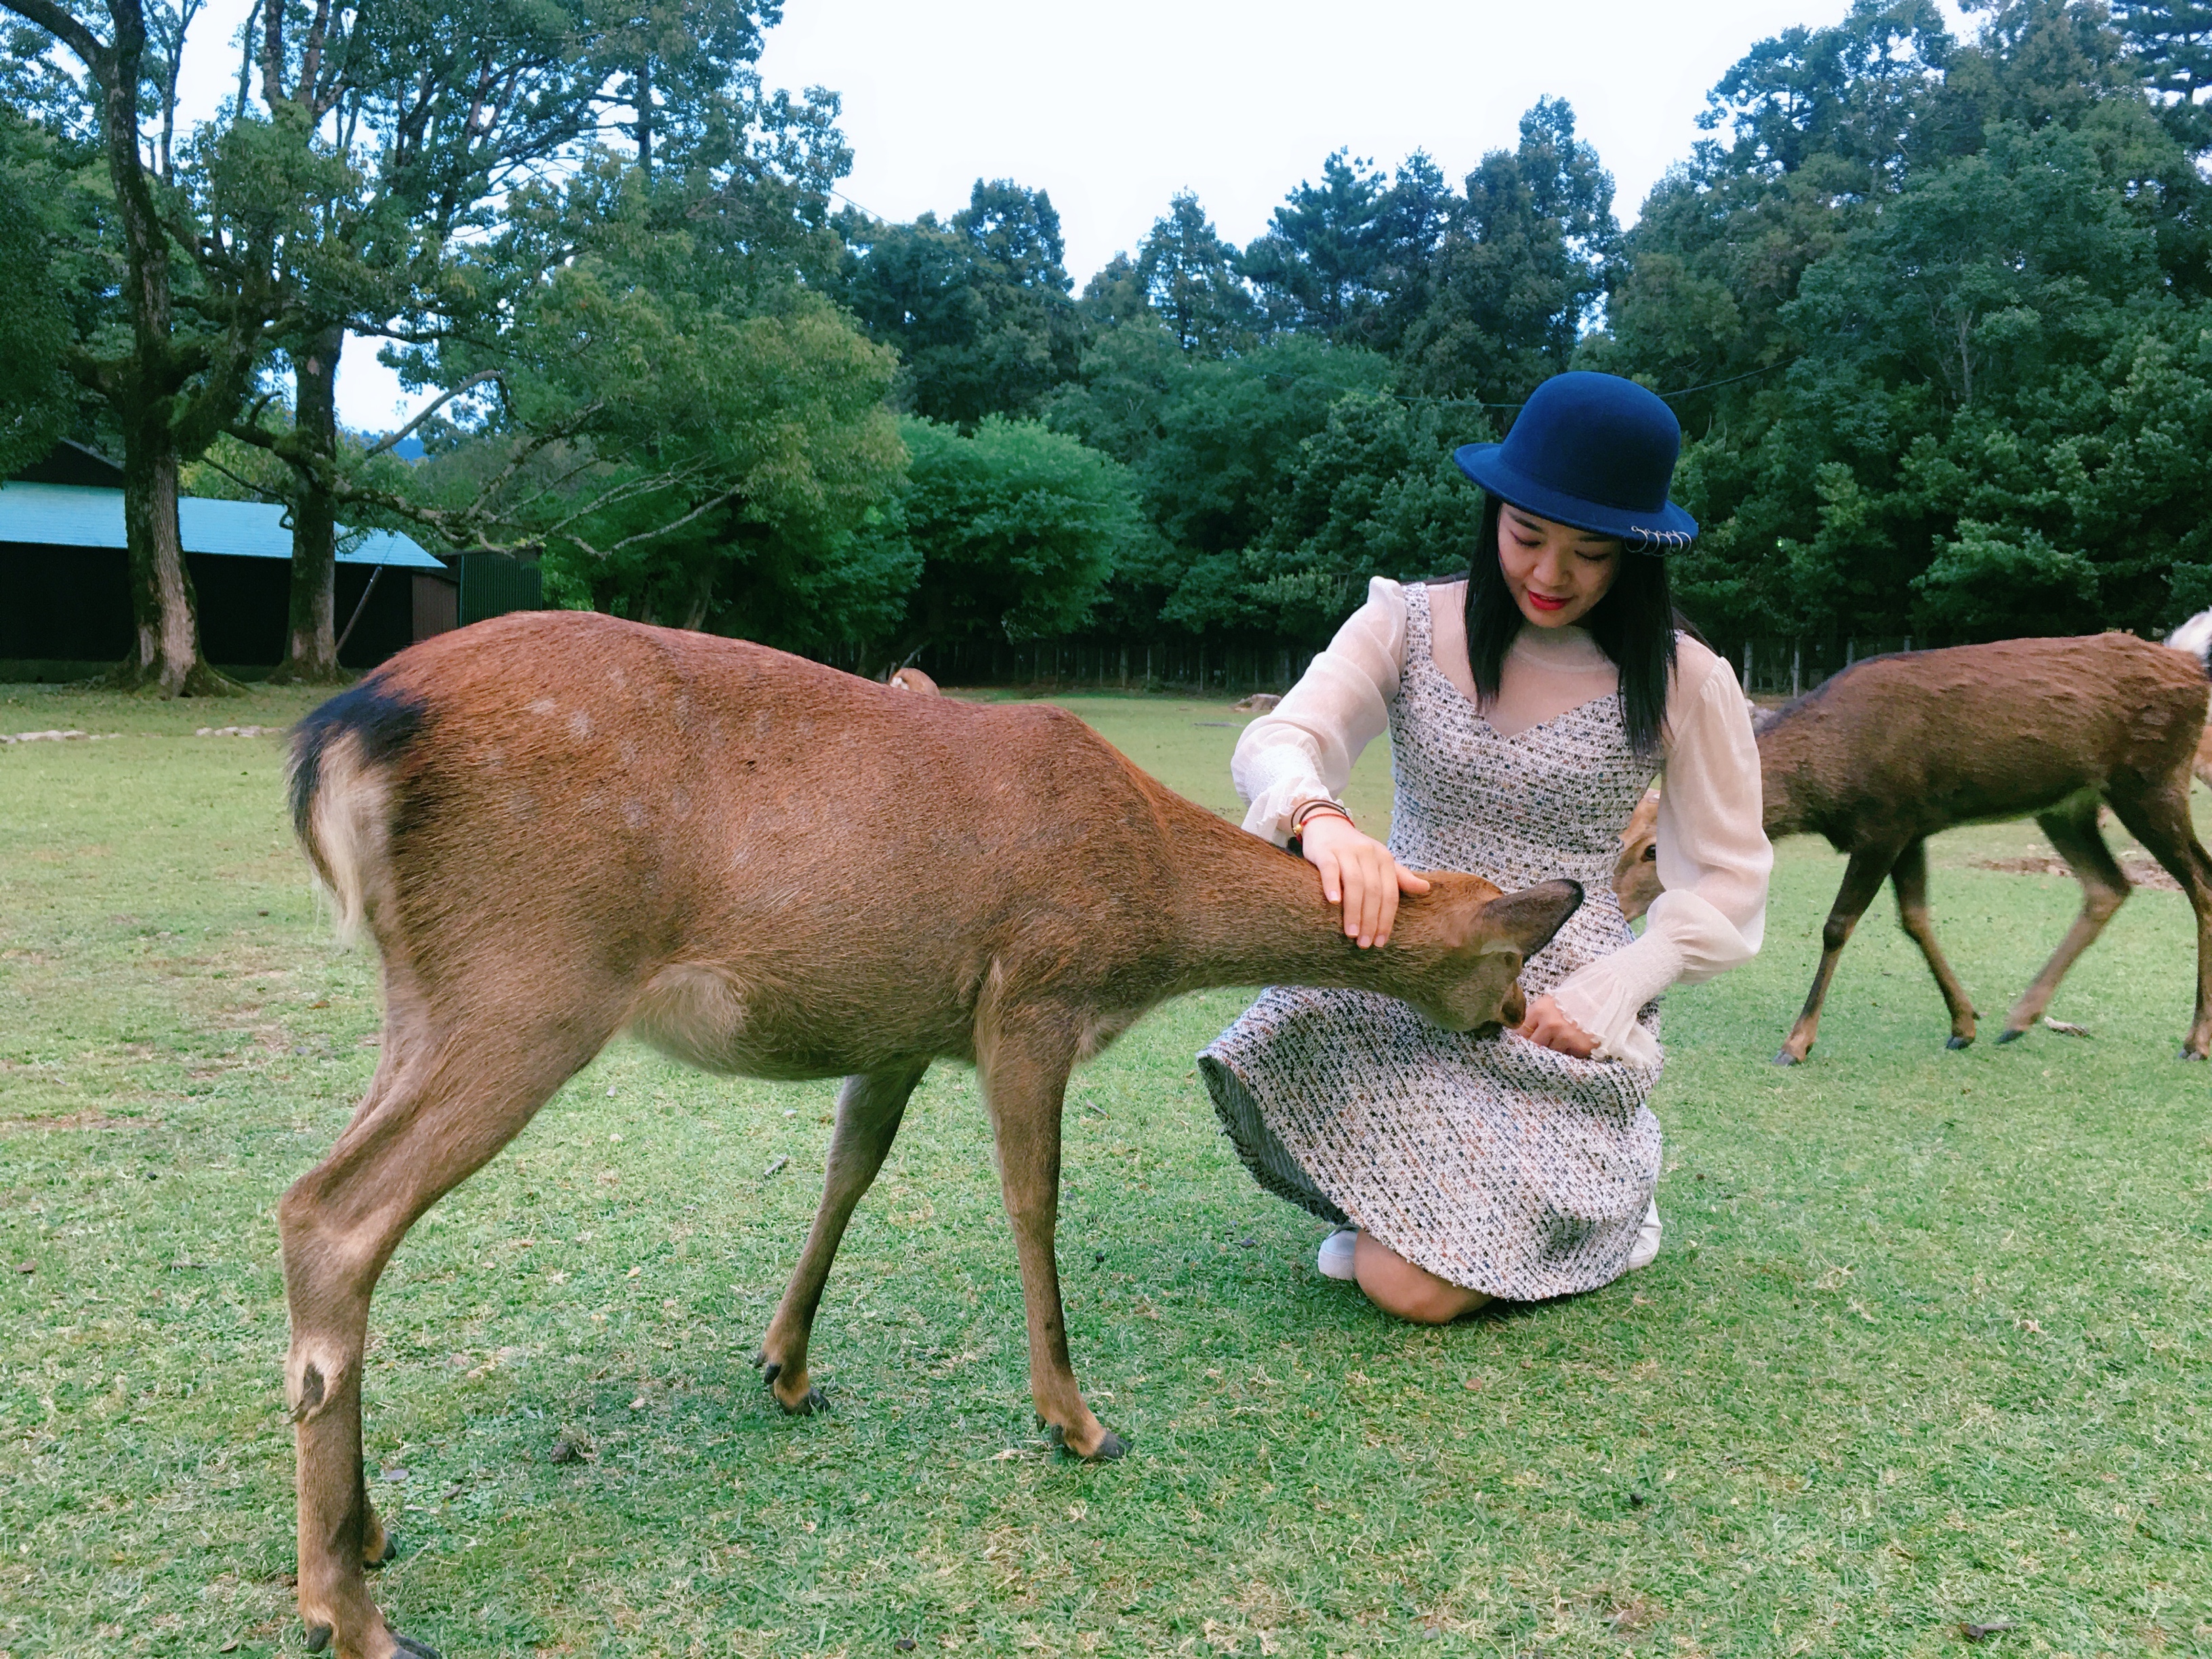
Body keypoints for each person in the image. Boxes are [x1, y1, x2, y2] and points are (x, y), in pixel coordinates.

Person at [1197, 371, 1771, 1324]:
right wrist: (1320, 818)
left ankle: (1610, 1216)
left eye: (1591, 553)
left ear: (1635, 553)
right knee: (1368, 1212)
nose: (1550, 574)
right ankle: (1407, 1207)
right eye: (1527, 536)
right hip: (1404, 958)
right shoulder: (1407, 621)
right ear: (1493, 513)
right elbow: (1281, 739)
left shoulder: (1687, 681)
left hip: (1552, 1003)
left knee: (1403, 1287)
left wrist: (1617, 988)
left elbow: (1732, 877)